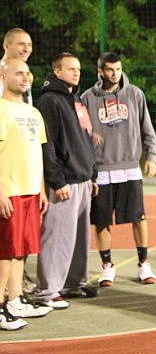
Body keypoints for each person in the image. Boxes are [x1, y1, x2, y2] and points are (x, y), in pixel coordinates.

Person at [81, 52, 156, 286]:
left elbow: (147, 126)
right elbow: (81, 132)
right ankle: (107, 266)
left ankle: (143, 264)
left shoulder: (135, 94)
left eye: (118, 69)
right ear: (100, 72)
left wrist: (151, 156)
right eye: (110, 70)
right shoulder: (87, 98)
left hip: (130, 168)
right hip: (101, 169)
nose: (115, 74)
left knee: (138, 217)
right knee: (102, 220)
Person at [35, 53, 99, 309]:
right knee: (57, 237)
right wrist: (56, 180)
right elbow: (47, 143)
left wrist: (93, 174)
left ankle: (73, 283)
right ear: (57, 72)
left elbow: (86, 137)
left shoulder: (76, 99)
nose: (76, 73)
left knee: (79, 239)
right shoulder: (49, 101)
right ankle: (48, 291)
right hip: (65, 181)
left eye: (78, 69)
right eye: (70, 69)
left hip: (83, 177)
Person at [0, 59, 53, 331]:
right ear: (3, 77)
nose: (24, 78)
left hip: (31, 191)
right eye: (18, 73)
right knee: (5, 253)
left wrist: (41, 189)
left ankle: (15, 300)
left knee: (20, 251)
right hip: (10, 191)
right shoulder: (1, 110)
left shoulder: (33, 112)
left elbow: (37, 154)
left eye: (27, 73)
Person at [1, 28, 36, 294]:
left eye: (30, 45)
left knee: (18, 243)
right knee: (6, 246)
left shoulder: (23, 77)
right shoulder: (6, 78)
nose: (26, 49)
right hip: (7, 180)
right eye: (21, 44)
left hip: (24, 180)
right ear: (6, 46)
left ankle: (15, 293)